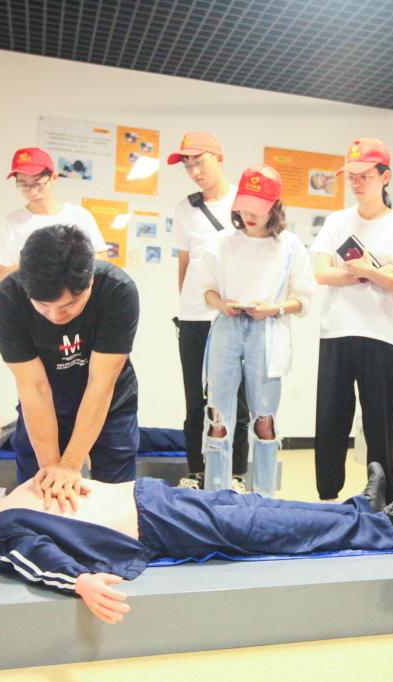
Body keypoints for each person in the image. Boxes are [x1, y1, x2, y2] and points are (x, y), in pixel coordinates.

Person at [0, 466, 393, 624]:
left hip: (151, 498)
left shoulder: (2, 502)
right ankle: (379, 529)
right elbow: (34, 560)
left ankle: (359, 510)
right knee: (260, 524)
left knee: (255, 507)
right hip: (155, 524)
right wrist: (79, 581)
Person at [0, 225, 140, 511]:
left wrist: (70, 464)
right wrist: (53, 472)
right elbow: (34, 387)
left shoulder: (118, 291)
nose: (56, 316)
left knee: (114, 503)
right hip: (43, 407)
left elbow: (101, 383)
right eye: (43, 306)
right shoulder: (7, 299)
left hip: (108, 406)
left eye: (70, 305)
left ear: (90, 280)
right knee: (39, 501)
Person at [188, 164, 315, 495]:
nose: (249, 215)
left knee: (264, 418)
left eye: (257, 208)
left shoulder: (290, 246)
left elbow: (304, 299)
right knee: (217, 416)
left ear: (274, 207)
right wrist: (221, 304)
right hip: (227, 327)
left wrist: (274, 309)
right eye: (244, 207)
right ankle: (215, 494)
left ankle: (264, 495)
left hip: (268, 330)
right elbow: (205, 289)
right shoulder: (222, 242)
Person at [310, 138, 393, 503]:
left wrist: (367, 270)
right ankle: (328, 498)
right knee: (331, 421)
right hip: (337, 332)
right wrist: (375, 272)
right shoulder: (337, 221)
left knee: (380, 425)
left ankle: (384, 502)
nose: (357, 184)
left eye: (365, 176)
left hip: (381, 335)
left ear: (385, 177)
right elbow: (322, 273)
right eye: (352, 177)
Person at [168, 132, 251, 491]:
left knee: (237, 399)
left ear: (219, 158)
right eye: (187, 165)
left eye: (199, 161)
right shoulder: (184, 209)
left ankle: (235, 474)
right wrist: (187, 305)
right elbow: (184, 264)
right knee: (195, 399)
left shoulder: (243, 202)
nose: (194, 171)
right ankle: (195, 471)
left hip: (232, 315)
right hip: (193, 316)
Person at [0, 147, 107, 281]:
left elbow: (104, 263)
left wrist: (69, 256)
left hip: (74, 292)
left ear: (53, 178)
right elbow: (1, 277)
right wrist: (32, 261)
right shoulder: (10, 223)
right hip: (26, 294)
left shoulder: (79, 216)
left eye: (38, 184)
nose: (33, 192)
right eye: (24, 185)